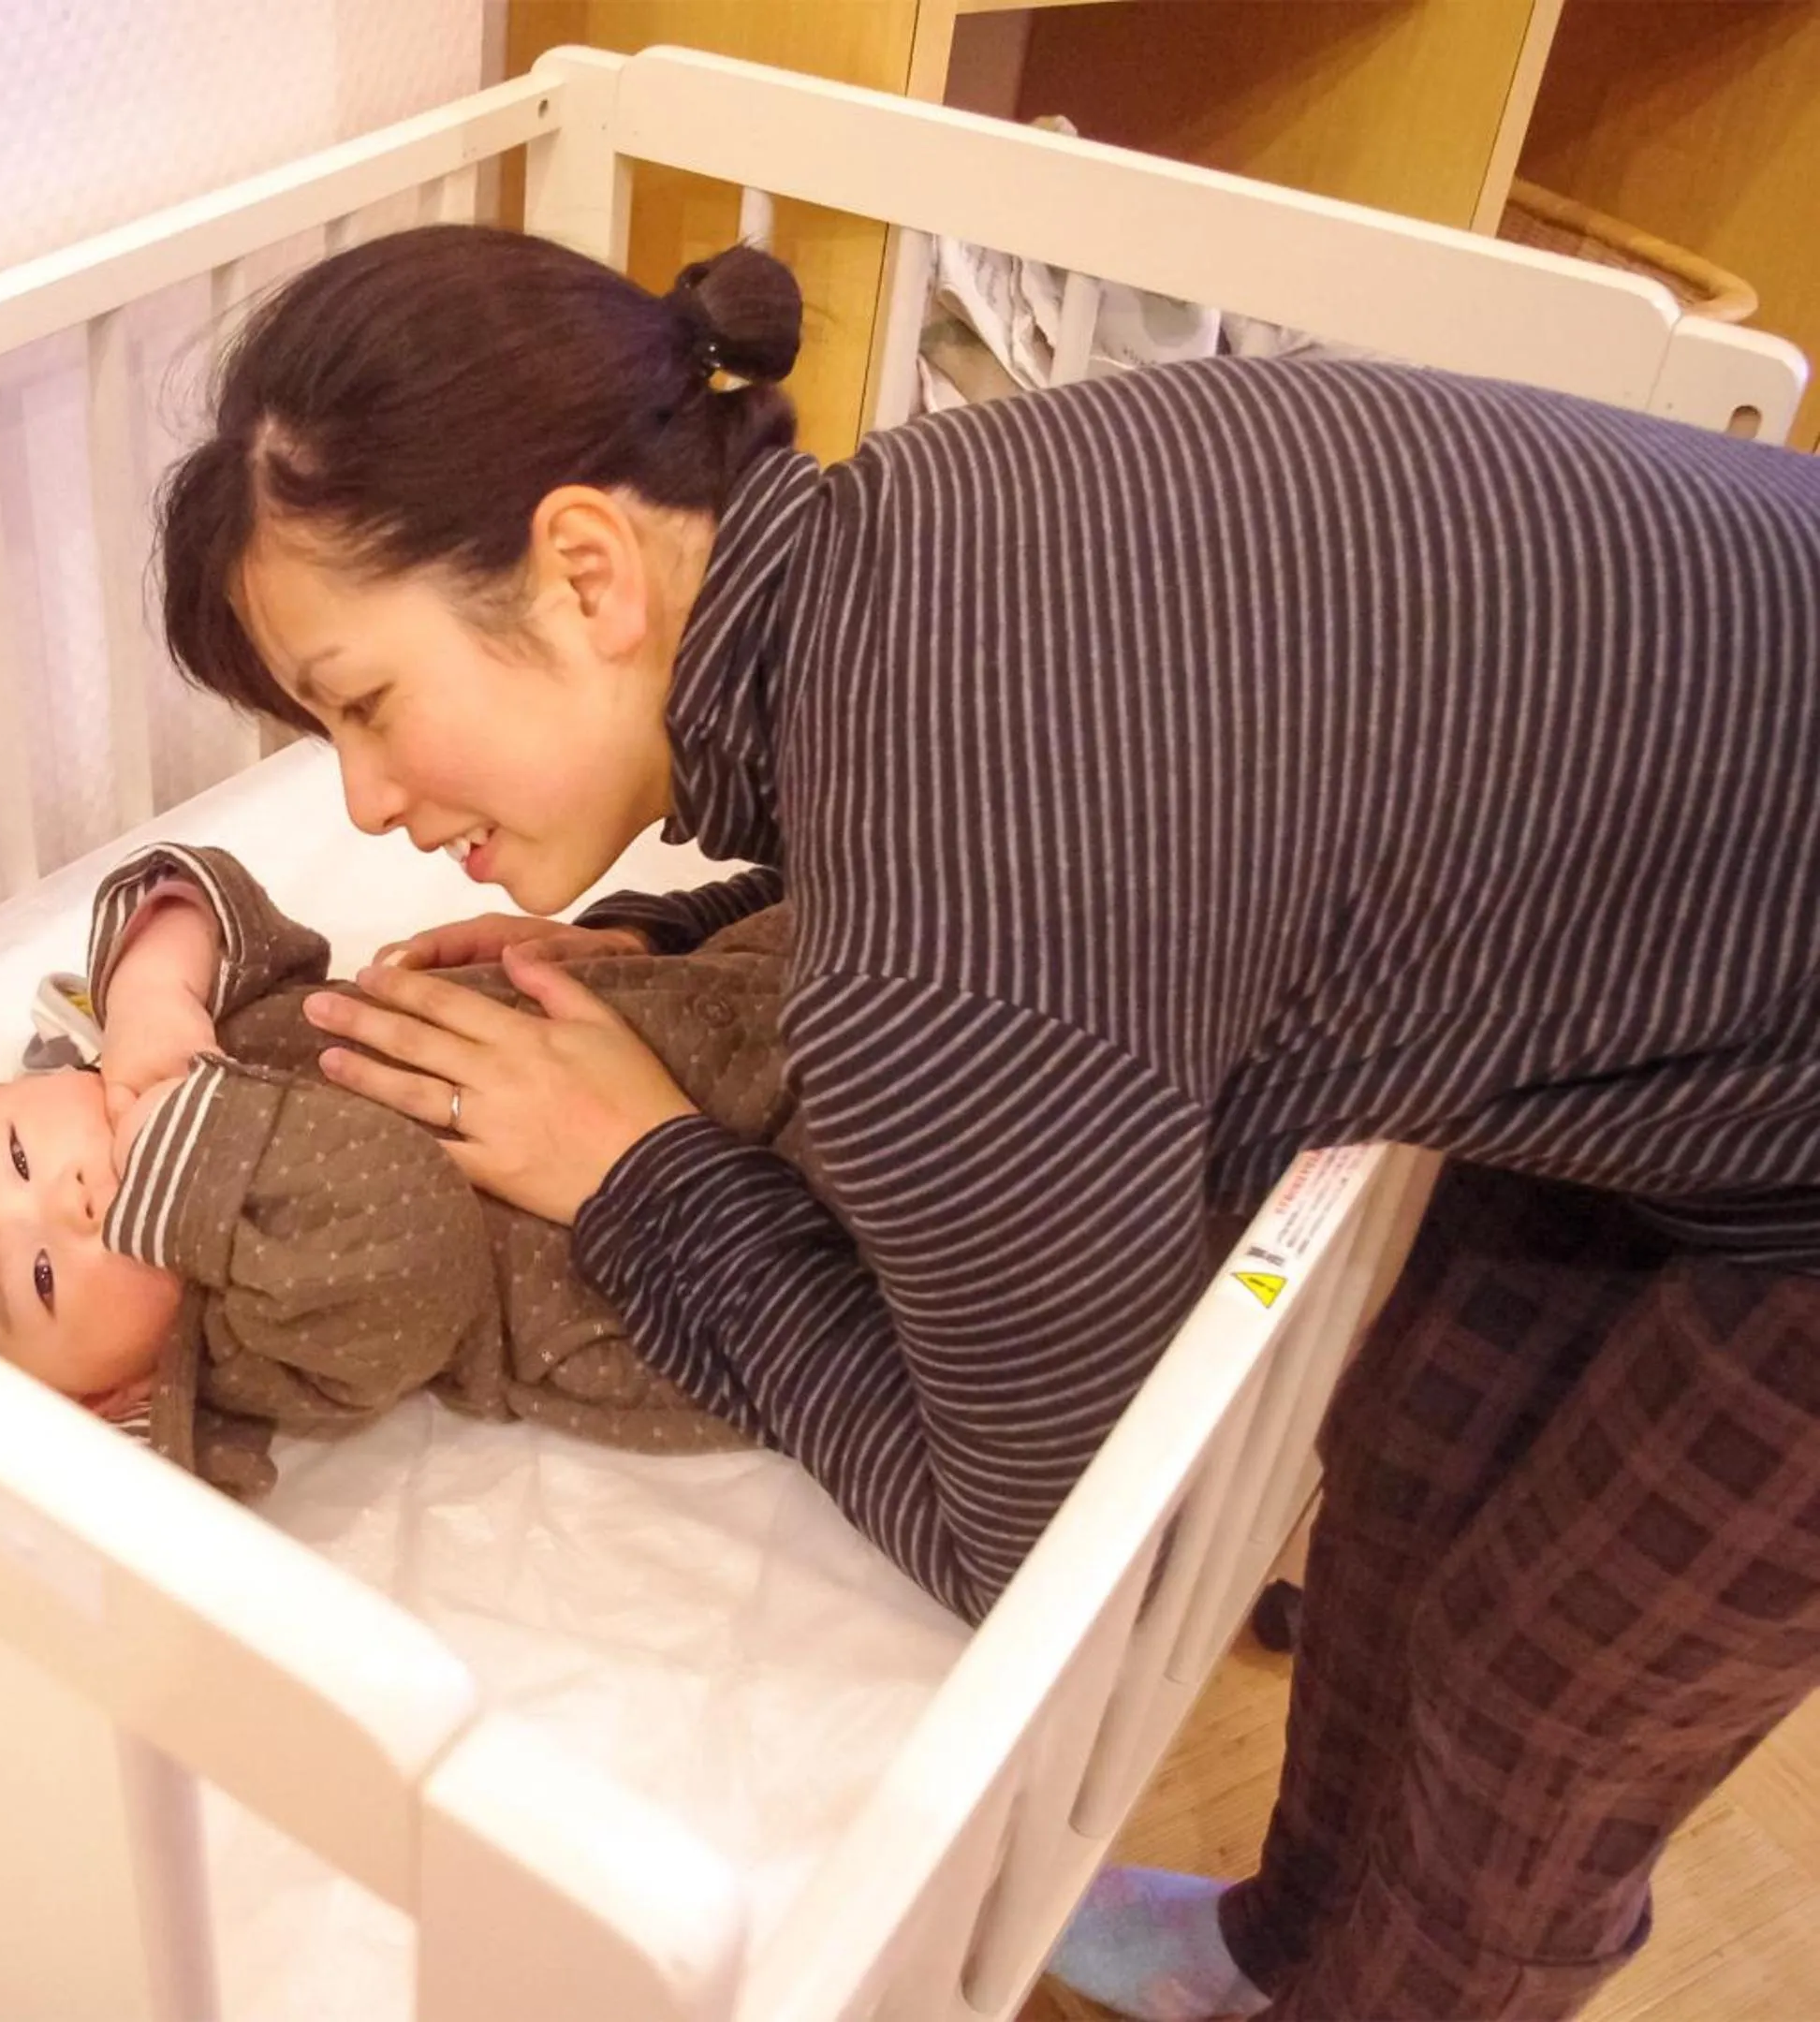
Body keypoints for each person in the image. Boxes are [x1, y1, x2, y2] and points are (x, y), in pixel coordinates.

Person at [151, 221, 1820, 2018]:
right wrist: (666, 941)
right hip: (1709, 951)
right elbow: (1124, 824)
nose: (372, 801)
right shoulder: (937, 508)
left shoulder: (938, 984)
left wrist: (640, 1177)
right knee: (1409, 1491)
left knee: (1536, 1704)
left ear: (584, 571)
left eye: (367, 706)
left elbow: (1046, 1559)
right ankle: (1274, 1948)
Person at [0, 839, 795, 1494]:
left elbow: (202, 890)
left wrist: (155, 995)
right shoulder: (251, 1339)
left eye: (14, 1150)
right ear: (107, 1398)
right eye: (44, 1279)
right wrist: (188, 1156)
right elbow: (411, 1237)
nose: (69, 1194)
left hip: (718, 998)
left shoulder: (164, 1055)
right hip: (743, 1234)